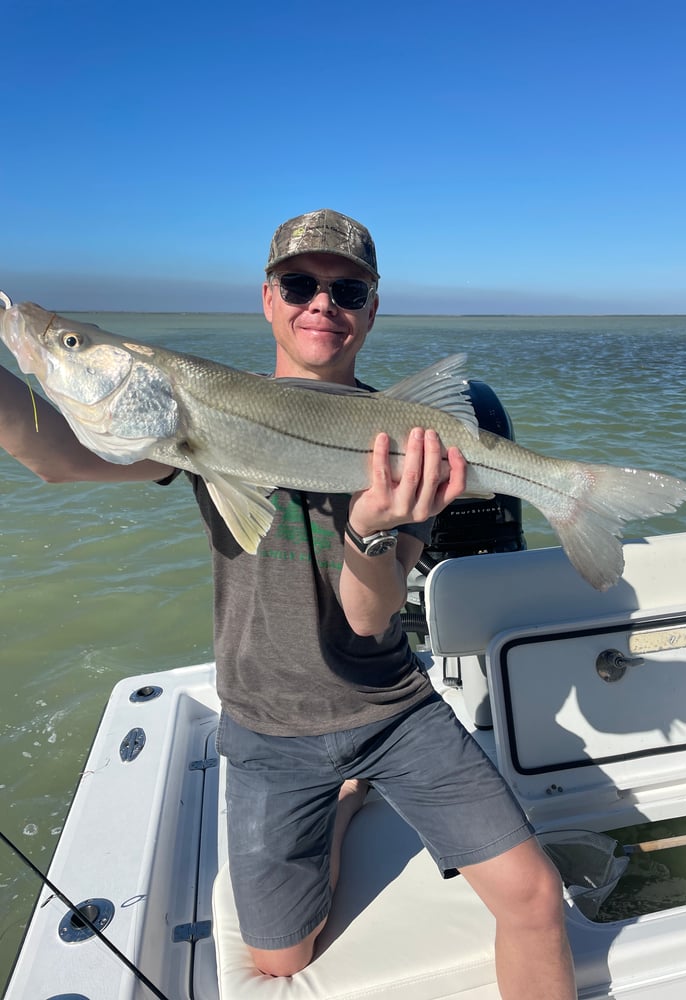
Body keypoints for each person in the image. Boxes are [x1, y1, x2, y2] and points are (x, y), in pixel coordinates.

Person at [0, 209, 576, 998]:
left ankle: (355, 783)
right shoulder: (188, 420)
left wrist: (373, 531)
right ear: (268, 300)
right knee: (281, 961)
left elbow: (371, 620)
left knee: (538, 899)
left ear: (371, 310)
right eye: (300, 284)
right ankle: (343, 803)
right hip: (266, 727)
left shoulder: (408, 445)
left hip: (392, 710)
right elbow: (56, 457)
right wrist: (27, 355)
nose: (321, 304)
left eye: (348, 290)